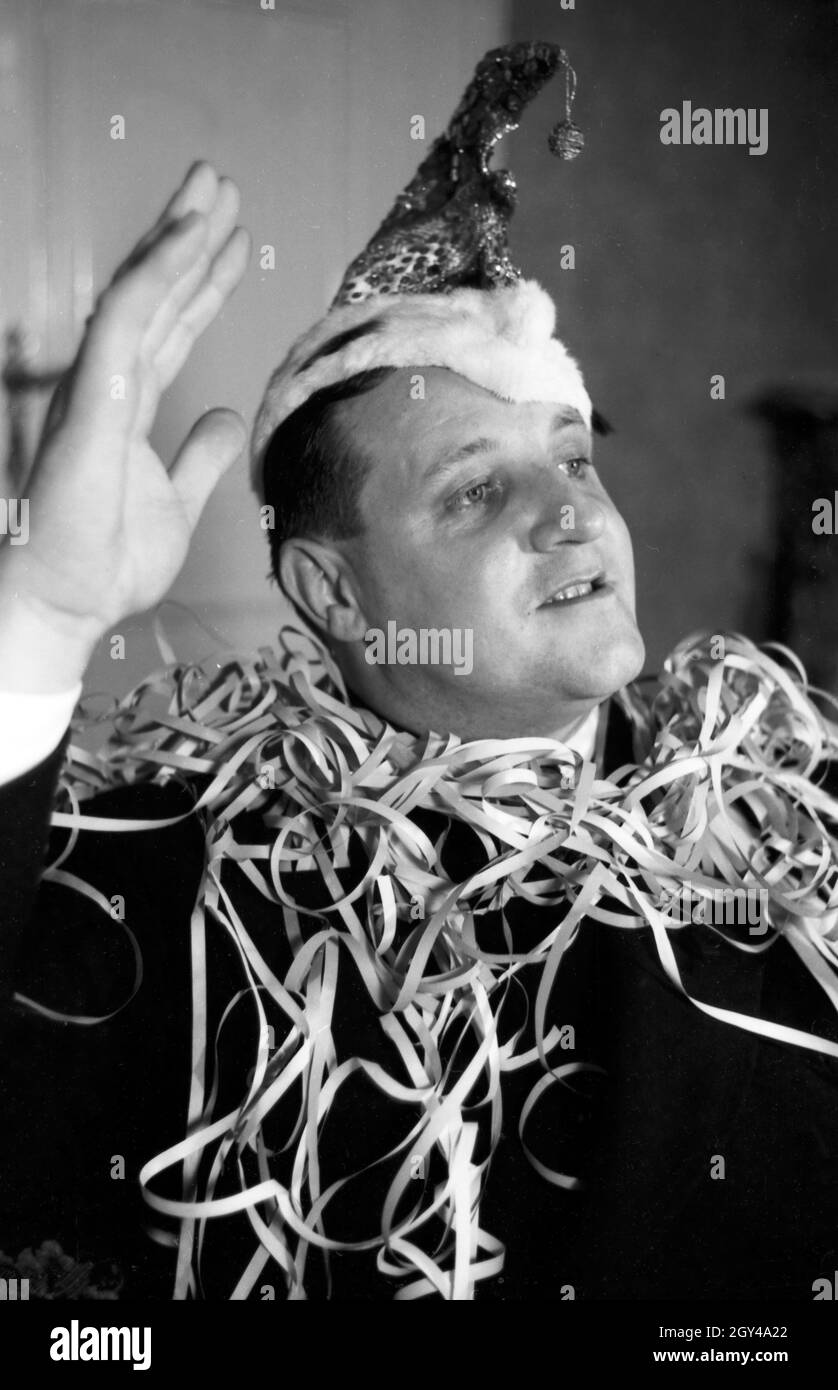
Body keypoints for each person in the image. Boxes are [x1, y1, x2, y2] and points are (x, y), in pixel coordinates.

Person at [1, 41, 837, 1303]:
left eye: (572, 456)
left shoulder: (791, 826)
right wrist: (41, 617)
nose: (573, 515)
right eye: (475, 489)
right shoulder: (174, 883)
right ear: (333, 591)